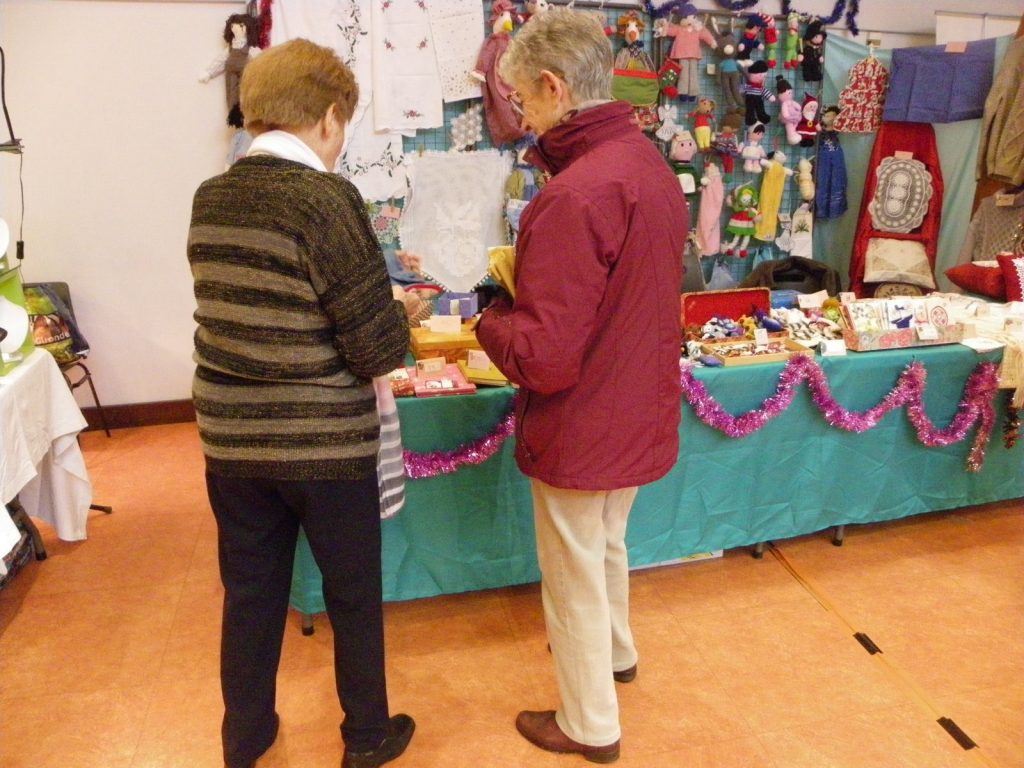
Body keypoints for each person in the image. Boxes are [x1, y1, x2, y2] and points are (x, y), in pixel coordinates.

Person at [187, 38, 414, 768]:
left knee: (250, 593)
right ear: (328, 118)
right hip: (323, 443)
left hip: (231, 440)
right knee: (352, 595)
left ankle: (245, 736)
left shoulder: (211, 195)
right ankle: (366, 737)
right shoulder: (324, 197)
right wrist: (400, 312)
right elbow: (374, 349)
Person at [474, 9, 687, 764]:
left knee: (572, 572)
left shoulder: (574, 195)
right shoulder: (648, 165)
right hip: (639, 402)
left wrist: (490, 318)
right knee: (605, 543)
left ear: (554, 87)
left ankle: (589, 723)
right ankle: (617, 653)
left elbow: (543, 358)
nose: (519, 117)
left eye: (520, 101)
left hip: (585, 415)